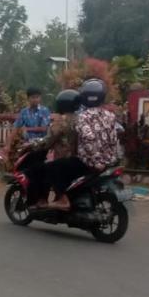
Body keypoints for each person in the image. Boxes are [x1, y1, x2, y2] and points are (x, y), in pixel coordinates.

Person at [44, 79, 120, 211]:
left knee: (53, 167)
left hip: (87, 162)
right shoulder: (110, 116)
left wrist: (96, 161)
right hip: (109, 161)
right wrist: (110, 158)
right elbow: (114, 139)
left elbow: (88, 138)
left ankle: (62, 199)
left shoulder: (82, 117)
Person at [19, 89, 81, 208]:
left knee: (38, 170)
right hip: (78, 160)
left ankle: (42, 200)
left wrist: (31, 145)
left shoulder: (61, 121)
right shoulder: (80, 118)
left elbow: (48, 141)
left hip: (63, 159)